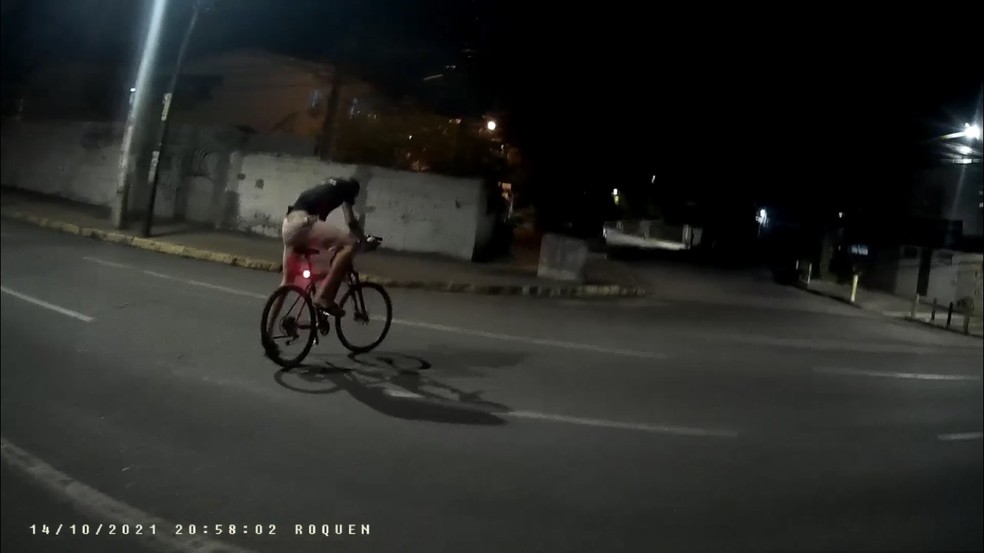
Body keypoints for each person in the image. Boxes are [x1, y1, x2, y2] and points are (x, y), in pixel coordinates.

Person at [279, 177, 372, 316]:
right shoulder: (347, 188)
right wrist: (364, 240)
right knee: (349, 246)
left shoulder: (328, 186)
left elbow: (321, 225)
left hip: (288, 225)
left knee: (286, 282)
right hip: (304, 223)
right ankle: (322, 297)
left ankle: (268, 330)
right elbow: (351, 221)